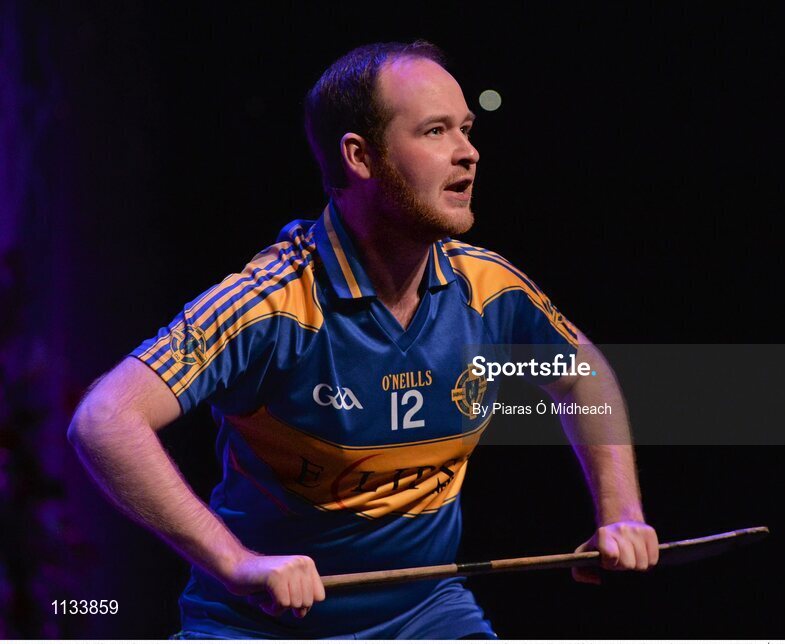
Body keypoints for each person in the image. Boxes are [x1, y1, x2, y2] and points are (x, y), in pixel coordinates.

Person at [67, 40, 659, 639]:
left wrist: (621, 514)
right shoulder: (269, 303)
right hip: (259, 626)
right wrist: (237, 564)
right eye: (435, 131)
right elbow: (105, 420)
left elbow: (581, 373)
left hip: (426, 616)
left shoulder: (488, 288)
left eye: (466, 129)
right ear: (360, 156)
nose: (469, 152)